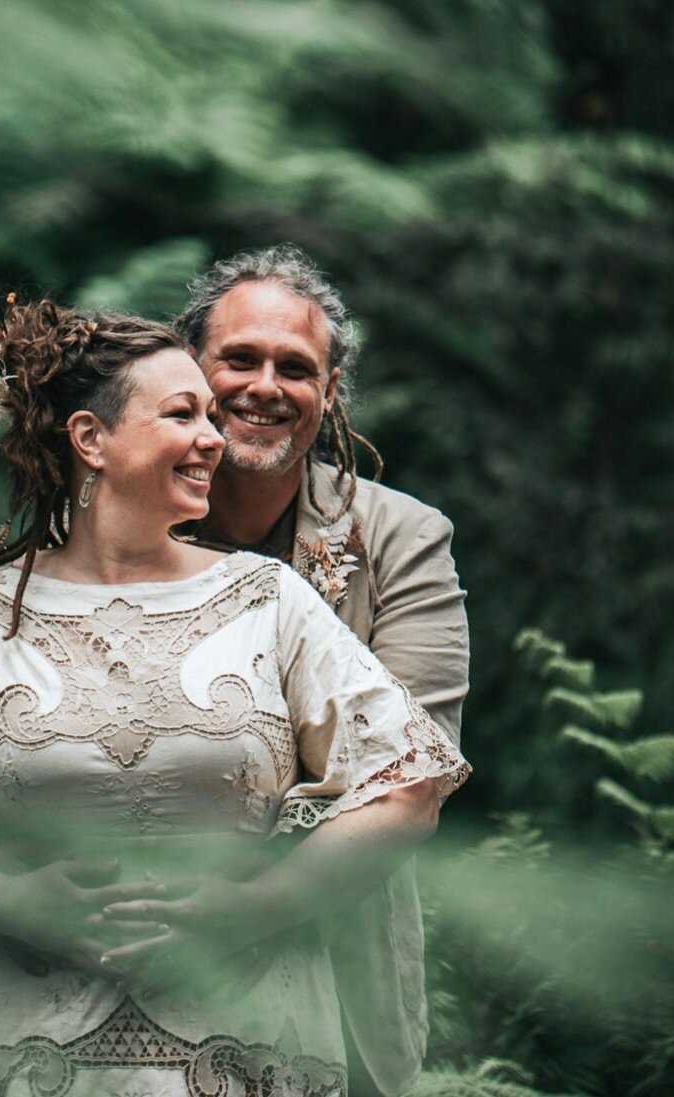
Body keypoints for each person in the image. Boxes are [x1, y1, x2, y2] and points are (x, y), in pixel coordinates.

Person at [0, 297, 469, 1097]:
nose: (212, 437)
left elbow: (406, 786)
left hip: (243, 1045)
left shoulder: (271, 600)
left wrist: (248, 906)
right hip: (14, 1051)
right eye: (181, 414)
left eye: (208, 414)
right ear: (90, 439)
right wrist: (3, 898)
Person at [176, 245, 471, 1095]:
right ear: (186, 367)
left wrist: (232, 910)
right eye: (238, 358)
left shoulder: (401, 541)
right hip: (118, 964)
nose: (264, 385)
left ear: (329, 392)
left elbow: (410, 781)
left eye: (294, 367)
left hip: (334, 971)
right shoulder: (107, 527)